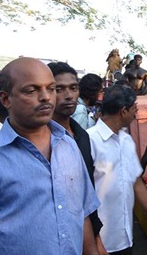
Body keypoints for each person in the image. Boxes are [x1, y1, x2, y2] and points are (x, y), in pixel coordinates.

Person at [0, 57, 100, 254]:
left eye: (50, 88)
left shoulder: (68, 145)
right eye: (32, 90)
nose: (46, 97)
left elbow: (81, 214)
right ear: (6, 99)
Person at [87, 84, 147, 253]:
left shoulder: (126, 141)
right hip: (100, 243)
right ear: (123, 111)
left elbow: (136, 182)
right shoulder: (90, 141)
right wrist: (93, 242)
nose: (136, 114)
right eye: (135, 108)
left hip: (124, 237)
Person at [47, 61, 107, 252]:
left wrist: (96, 240)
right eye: (59, 89)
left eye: (73, 88)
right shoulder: (40, 141)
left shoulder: (81, 135)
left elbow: (85, 196)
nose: (69, 95)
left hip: (84, 233)